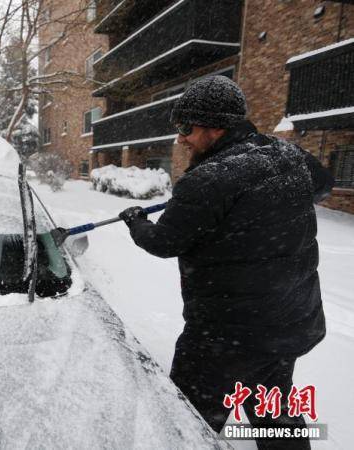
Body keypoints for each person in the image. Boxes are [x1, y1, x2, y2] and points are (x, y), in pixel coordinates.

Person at [119, 76, 334, 449]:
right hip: (287, 321)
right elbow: (322, 184)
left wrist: (136, 220)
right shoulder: (289, 156)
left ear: (216, 126)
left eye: (186, 127)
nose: (181, 138)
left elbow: (164, 241)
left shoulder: (207, 181)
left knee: (186, 419)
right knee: (275, 410)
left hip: (223, 336)